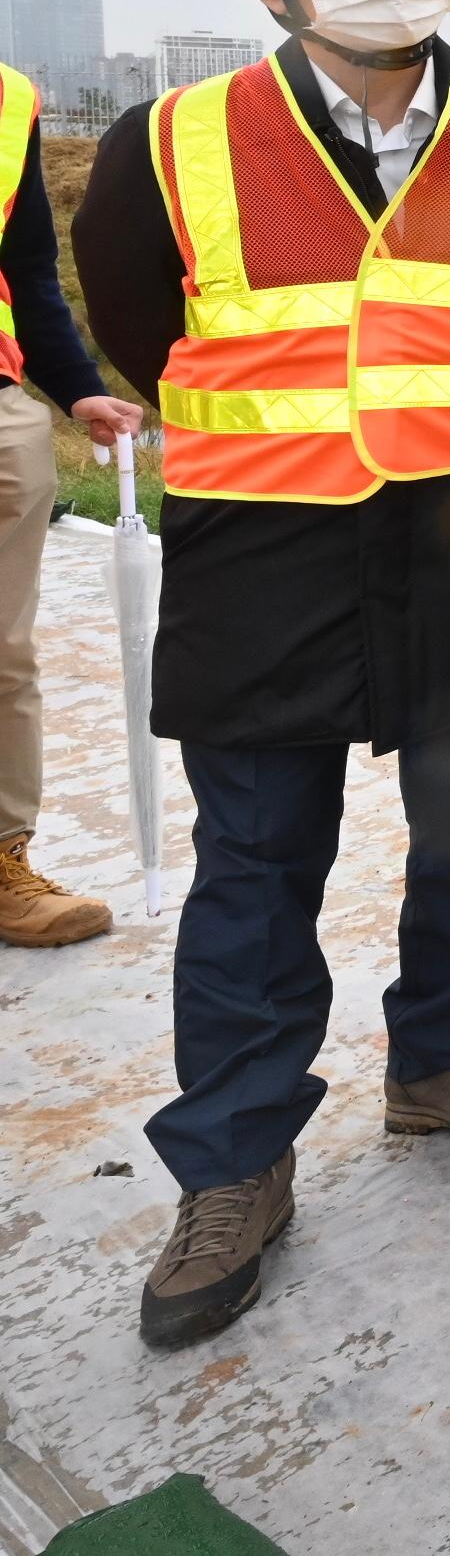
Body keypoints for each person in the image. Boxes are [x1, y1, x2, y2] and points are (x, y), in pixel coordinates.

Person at [76, 0, 450, 1349]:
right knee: (256, 860)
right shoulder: (166, 142)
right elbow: (138, 319)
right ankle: (237, 1157)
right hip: (267, 543)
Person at [0, 56, 145, 949]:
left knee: (4, 653)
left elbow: (26, 270)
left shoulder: (10, 98)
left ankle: (4, 863)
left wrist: (73, 387)